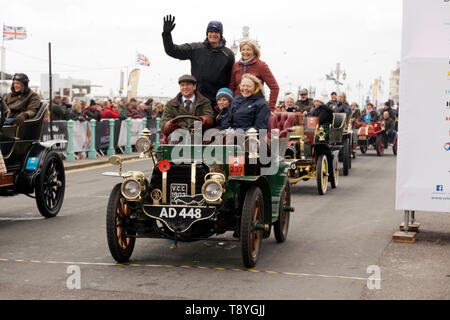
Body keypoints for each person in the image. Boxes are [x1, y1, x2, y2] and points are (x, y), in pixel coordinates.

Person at [162, 15, 235, 105]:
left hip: (218, 101)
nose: (213, 34)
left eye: (217, 32)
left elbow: (231, 79)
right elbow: (172, 51)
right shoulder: (196, 48)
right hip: (198, 99)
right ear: (207, 33)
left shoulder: (228, 54)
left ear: (221, 34)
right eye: (211, 31)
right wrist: (166, 35)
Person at [229, 40, 279, 112]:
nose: (245, 52)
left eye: (248, 49)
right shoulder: (236, 65)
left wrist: (270, 108)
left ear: (254, 51)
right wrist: (231, 103)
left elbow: (274, 88)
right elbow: (232, 86)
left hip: (255, 105)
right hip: (238, 105)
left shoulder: (261, 65)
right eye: (243, 49)